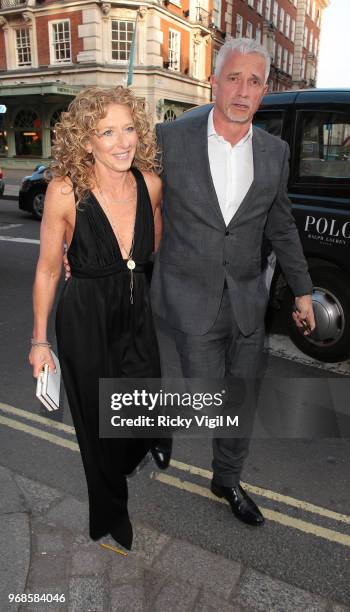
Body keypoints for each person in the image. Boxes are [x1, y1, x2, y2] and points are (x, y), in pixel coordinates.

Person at [151, 38, 316, 526]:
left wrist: (303, 291)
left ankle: (226, 478)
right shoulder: (170, 138)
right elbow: (137, 203)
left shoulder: (274, 152)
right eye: (234, 77)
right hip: (187, 296)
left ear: (265, 91)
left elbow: (281, 224)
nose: (243, 91)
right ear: (214, 81)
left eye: (254, 81)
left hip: (246, 299)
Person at [29, 86, 168, 550]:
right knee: (97, 428)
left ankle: (145, 440)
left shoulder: (150, 184)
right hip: (84, 319)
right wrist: (38, 341)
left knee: (142, 410)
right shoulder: (65, 192)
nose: (122, 140)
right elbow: (48, 270)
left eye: (128, 128)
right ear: (86, 141)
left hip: (136, 314)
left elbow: (151, 250)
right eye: (106, 131)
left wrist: (119, 266)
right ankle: (111, 515)